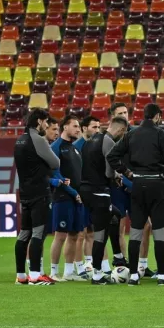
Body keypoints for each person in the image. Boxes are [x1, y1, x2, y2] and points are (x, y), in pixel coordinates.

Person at [107, 104, 164, 286]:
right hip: (157, 183)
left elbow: (112, 156)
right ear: (156, 116)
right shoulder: (160, 134)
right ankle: (162, 275)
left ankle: (133, 275)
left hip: (138, 184)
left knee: (136, 230)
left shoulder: (131, 134)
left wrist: (127, 172)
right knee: (158, 230)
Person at [80, 116, 128, 284]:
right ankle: (97, 275)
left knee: (115, 214)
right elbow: (109, 172)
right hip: (99, 191)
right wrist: (117, 175)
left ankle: (118, 257)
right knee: (100, 234)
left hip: (86, 189)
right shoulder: (108, 142)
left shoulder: (90, 140)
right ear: (121, 131)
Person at [14, 109, 60, 285]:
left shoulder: (19, 140)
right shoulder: (38, 139)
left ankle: (21, 275)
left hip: (25, 192)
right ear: (39, 122)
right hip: (39, 193)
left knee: (24, 233)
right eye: (46, 123)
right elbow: (56, 163)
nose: (47, 126)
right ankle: (35, 275)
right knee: (38, 234)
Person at [48, 115, 87, 282]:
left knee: (74, 235)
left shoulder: (75, 148)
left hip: (77, 197)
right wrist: (72, 192)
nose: (78, 129)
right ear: (65, 127)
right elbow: (54, 174)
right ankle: (53, 272)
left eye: (79, 127)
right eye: (75, 126)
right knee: (60, 235)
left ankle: (69, 272)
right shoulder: (55, 147)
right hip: (63, 197)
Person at [73, 116, 103, 275]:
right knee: (80, 233)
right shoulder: (76, 146)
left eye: (99, 127)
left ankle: (89, 263)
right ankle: (78, 267)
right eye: (94, 127)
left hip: (95, 192)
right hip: (81, 193)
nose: (97, 130)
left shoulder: (98, 145)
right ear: (84, 128)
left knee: (91, 231)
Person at [108, 103, 132, 268]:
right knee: (120, 226)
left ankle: (141, 265)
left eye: (125, 112)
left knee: (145, 225)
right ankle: (122, 262)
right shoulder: (109, 139)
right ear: (113, 117)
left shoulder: (136, 134)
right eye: (120, 113)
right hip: (117, 187)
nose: (124, 115)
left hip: (135, 185)